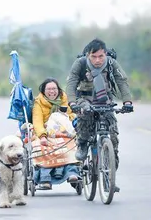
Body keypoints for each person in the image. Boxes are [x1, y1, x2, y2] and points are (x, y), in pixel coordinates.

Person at [66, 38, 134, 192]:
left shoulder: (111, 63)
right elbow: (71, 83)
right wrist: (72, 102)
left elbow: (121, 80)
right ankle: (83, 143)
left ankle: (109, 178)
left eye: (100, 56)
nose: (97, 60)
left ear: (105, 54)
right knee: (85, 114)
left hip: (105, 101)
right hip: (84, 99)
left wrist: (127, 101)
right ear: (88, 55)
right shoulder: (80, 64)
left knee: (113, 139)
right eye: (94, 56)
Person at [32, 77, 80, 190]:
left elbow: (71, 114)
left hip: (63, 131)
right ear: (43, 91)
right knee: (43, 146)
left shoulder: (64, 99)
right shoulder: (38, 103)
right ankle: (45, 176)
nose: (52, 91)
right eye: (48, 89)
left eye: (54, 88)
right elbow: (37, 121)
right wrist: (42, 136)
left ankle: (71, 173)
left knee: (71, 145)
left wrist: (68, 119)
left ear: (58, 89)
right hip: (45, 132)